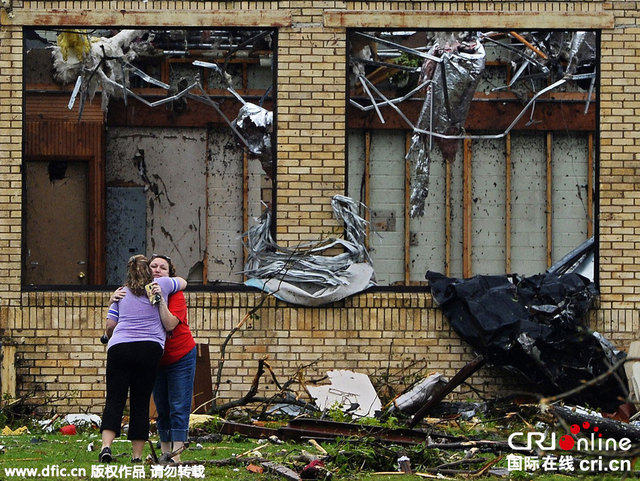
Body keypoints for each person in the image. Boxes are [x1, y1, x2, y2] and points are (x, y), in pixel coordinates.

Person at [99, 254, 187, 464]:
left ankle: (106, 447)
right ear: (148, 270)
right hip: (149, 349)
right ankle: (137, 456)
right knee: (140, 402)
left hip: (120, 348)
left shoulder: (121, 292)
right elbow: (183, 282)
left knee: (114, 400)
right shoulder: (160, 285)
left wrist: (113, 337)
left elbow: (110, 326)